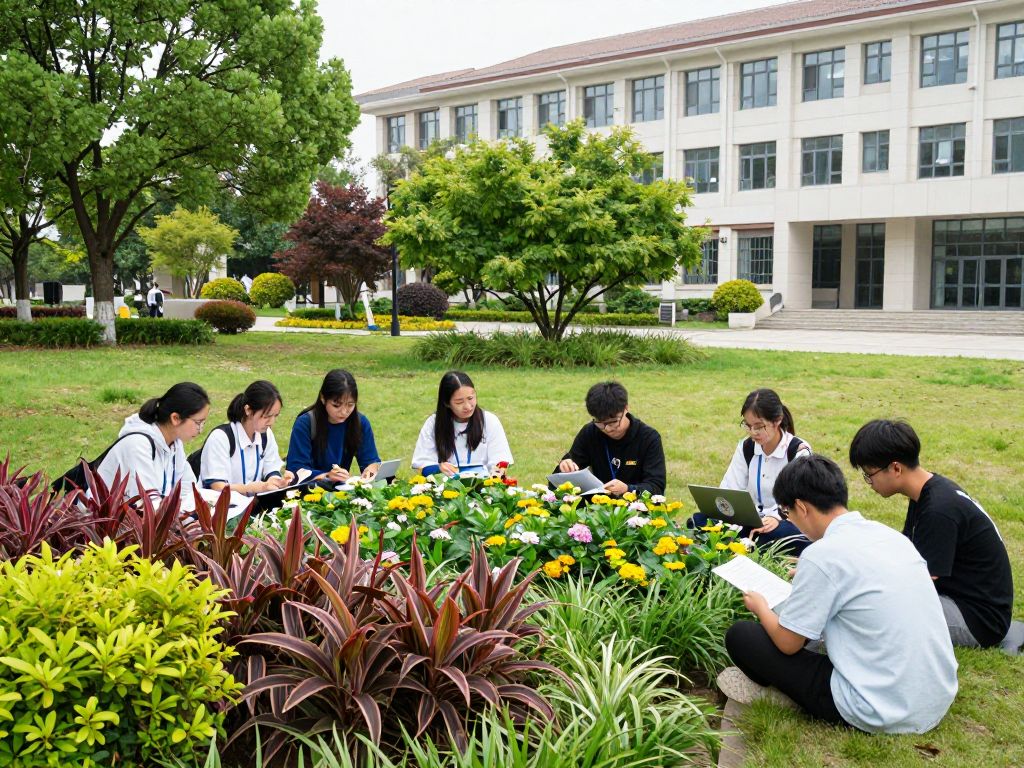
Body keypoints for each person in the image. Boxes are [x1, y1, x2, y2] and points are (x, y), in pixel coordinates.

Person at [720, 455, 958, 734]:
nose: (791, 521)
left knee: (742, 637)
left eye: (787, 513)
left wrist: (760, 607)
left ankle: (784, 696)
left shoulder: (821, 556)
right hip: (934, 694)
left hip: (878, 707)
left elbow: (788, 644)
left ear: (801, 508)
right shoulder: (888, 536)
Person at [849, 419, 1014, 649]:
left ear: (896, 468)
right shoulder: (926, 492)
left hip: (977, 619)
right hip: (957, 598)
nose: (869, 483)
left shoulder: (939, 510)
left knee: (872, 609)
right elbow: (904, 554)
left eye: (870, 474)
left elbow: (918, 584)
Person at [716, 388, 812, 554]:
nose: (753, 432)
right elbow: (730, 488)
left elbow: (801, 499)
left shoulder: (798, 451)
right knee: (700, 520)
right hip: (750, 518)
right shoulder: (746, 447)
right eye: (748, 425)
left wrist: (776, 517)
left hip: (785, 521)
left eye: (759, 426)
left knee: (773, 538)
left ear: (777, 421)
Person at [96, 382, 209, 505]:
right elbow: (147, 504)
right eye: (198, 423)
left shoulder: (175, 444)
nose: (201, 430)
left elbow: (188, 491)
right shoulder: (138, 445)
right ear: (175, 418)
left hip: (145, 518)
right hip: (101, 521)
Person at [556, 381, 665, 496]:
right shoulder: (590, 433)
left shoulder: (648, 438)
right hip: (597, 506)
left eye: (613, 422)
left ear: (626, 408)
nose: (607, 429)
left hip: (638, 509)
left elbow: (657, 487)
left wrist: (628, 489)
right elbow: (557, 483)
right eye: (600, 423)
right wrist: (564, 469)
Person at [199, 380, 294, 495]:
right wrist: (253, 488)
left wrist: (278, 481)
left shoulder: (266, 435)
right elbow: (217, 487)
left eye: (276, 416)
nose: (272, 422)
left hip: (252, 507)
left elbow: (271, 469)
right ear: (248, 410)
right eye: (267, 416)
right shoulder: (221, 438)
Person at [286, 370, 381, 483]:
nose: (344, 412)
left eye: (350, 405)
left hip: (341, 491)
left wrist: (371, 470)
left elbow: (371, 460)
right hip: (309, 492)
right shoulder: (305, 423)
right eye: (336, 405)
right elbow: (296, 469)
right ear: (323, 398)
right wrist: (326, 476)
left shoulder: (360, 423)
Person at [412, 371, 513, 476]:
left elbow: (501, 460)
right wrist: (439, 468)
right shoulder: (433, 423)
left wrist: (497, 472)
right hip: (445, 487)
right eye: (459, 402)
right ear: (446, 403)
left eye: (471, 398)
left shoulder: (489, 420)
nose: (468, 407)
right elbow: (421, 463)